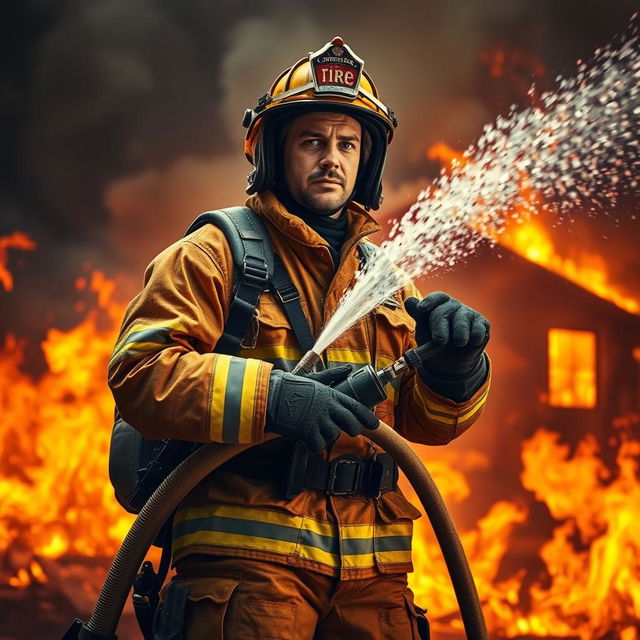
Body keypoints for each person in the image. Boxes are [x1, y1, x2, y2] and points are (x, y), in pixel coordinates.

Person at [108, 37, 491, 640]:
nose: (332, 159)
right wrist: (276, 399)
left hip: (377, 584)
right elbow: (141, 373)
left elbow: (425, 425)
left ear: (367, 159)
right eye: (313, 141)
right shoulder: (214, 255)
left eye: (348, 144)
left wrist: (457, 370)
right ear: (273, 153)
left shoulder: (386, 281)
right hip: (248, 575)